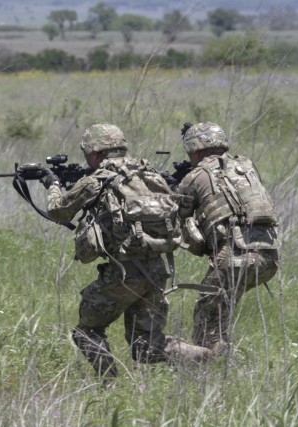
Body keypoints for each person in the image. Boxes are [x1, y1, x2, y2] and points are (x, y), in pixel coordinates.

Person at [43, 123, 214, 378]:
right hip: (157, 273)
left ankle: (109, 385)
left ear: (96, 152)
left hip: (123, 274)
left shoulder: (96, 180)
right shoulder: (150, 174)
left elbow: (58, 210)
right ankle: (206, 356)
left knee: (86, 331)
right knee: (146, 347)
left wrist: (52, 184)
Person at [176, 122, 280, 351]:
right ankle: (227, 364)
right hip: (269, 257)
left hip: (235, 257)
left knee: (206, 319)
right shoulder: (245, 166)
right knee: (221, 312)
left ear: (197, 150)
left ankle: (213, 369)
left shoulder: (195, 176)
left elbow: (176, 218)